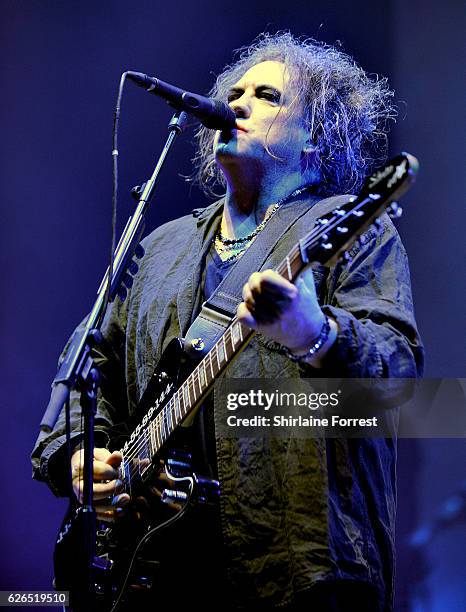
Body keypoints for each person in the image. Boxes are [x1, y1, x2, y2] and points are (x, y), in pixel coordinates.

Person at [32, 32, 424, 611]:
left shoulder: (346, 227)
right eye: (234, 91)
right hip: (157, 571)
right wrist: (78, 455)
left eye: (267, 96)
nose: (237, 102)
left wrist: (314, 334)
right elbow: (90, 362)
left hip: (294, 566)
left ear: (316, 133)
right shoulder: (163, 246)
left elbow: (401, 374)